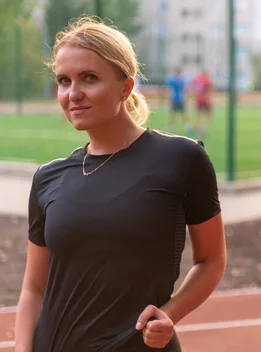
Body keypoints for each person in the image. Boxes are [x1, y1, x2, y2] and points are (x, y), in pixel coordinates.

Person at [15, 17, 227, 352]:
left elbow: (212, 259)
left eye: (89, 78)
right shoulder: (48, 178)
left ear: (125, 87)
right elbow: (34, 288)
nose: (73, 93)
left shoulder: (181, 158)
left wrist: (169, 314)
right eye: (63, 81)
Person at [165, 67, 192, 134]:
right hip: (179, 99)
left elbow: (169, 90)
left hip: (175, 98)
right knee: (181, 113)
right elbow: (184, 90)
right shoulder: (180, 80)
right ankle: (186, 127)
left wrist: (168, 99)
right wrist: (186, 99)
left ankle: (173, 127)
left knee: (175, 114)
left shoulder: (172, 79)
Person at [190, 69, 214, 137]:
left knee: (198, 115)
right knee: (209, 114)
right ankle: (202, 128)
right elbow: (210, 88)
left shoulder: (196, 78)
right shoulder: (206, 79)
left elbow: (192, 86)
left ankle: (198, 128)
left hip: (198, 99)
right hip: (205, 99)